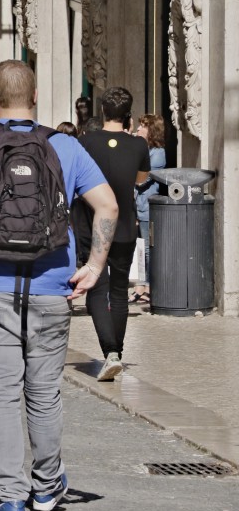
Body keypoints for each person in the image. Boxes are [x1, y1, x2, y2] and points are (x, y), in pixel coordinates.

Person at [0, 60, 117, 511]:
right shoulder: (65, 147)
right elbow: (107, 205)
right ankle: (48, 485)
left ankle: (11, 497)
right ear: (36, 97)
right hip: (54, 284)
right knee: (44, 390)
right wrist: (93, 265)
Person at [74, 87, 149, 380]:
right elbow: (139, 181)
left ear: (103, 111)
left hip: (92, 223)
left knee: (96, 286)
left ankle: (110, 352)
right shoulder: (139, 146)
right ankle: (116, 350)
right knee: (118, 290)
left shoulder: (86, 142)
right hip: (126, 224)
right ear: (128, 114)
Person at [132, 114, 166, 303]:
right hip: (138, 205)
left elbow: (141, 179)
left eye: (142, 126)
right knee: (139, 246)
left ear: (151, 130)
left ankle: (148, 286)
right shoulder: (145, 150)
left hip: (147, 205)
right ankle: (142, 284)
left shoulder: (157, 153)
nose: (138, 129)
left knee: (146, 247)